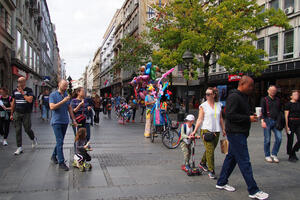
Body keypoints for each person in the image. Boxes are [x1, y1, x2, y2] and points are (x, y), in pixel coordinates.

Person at [216, 76, 269, 200]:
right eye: (250, 85)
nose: (252, 88)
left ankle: (221, 182)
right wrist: (248, 118)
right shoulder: (234, 97)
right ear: (242, 84)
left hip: (239, 132)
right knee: (244, 161)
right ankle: (253, 190)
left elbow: (238, 114)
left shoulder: (243, 97)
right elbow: (230, 115)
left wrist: (251, 116)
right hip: (235, 133)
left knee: (231, 158)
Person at [191, 87, 225, 179]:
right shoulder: (203, 106)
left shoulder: (219, 104)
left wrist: (223, 129)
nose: (207, 96)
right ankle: (211, 170)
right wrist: (194, 131)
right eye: (206, 94)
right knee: (210, 151)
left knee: (210, 149)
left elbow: (221, 118)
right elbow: (200, 119)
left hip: (216, 130)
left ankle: (202, 163)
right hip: (206, 130)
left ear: (214, 95)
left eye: (209, 94)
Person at [49, 80, 77, 171]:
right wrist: (63, 101)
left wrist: (73, 119)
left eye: (66, 86)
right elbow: (52, 107)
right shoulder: (53, 95)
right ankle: (61, 162)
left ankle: (54, 155)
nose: (65, 87)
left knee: (60, 141)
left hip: (65, 121)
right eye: (64, 85)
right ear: (59, 85)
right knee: (60, 141)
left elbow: (69, 108)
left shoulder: (66, 95)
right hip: (56, 121)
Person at [10, 77, 38, 155]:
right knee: (17, 130)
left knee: (27, 129)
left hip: (26, 113)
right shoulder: (15, 91)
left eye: (20, 82)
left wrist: (22, 93)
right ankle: (19, 147)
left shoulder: (29, 90)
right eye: (18, 81)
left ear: (24, 82)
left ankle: (33, 138)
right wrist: (11, 114)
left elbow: (30, 100)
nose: (19, 83)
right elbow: (13, 103)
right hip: (17, 112)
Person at [260, 85, 282, 163]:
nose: (273, 92)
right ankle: (267, 155)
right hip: (267, 120)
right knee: (267, 139)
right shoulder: (264, 99)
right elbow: (262, 111)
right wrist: (262, 121)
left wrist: (279, 121)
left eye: (274, 90)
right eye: (271, 90)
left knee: (279, 138)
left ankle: (274, 153)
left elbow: (280, 111)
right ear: (268, 91)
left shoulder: (278, 100)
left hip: (276, 121)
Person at [284, 90, 300, 162]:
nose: (297, 95)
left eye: (297, 94)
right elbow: (286, 116)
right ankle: (290, 155)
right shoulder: (288, 104)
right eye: (295, 94)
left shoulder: (299, 104)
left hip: (298, 123)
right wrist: (286, 126)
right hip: (291, 122)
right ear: (291, 96)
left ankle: (293, 151)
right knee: (290, 139)